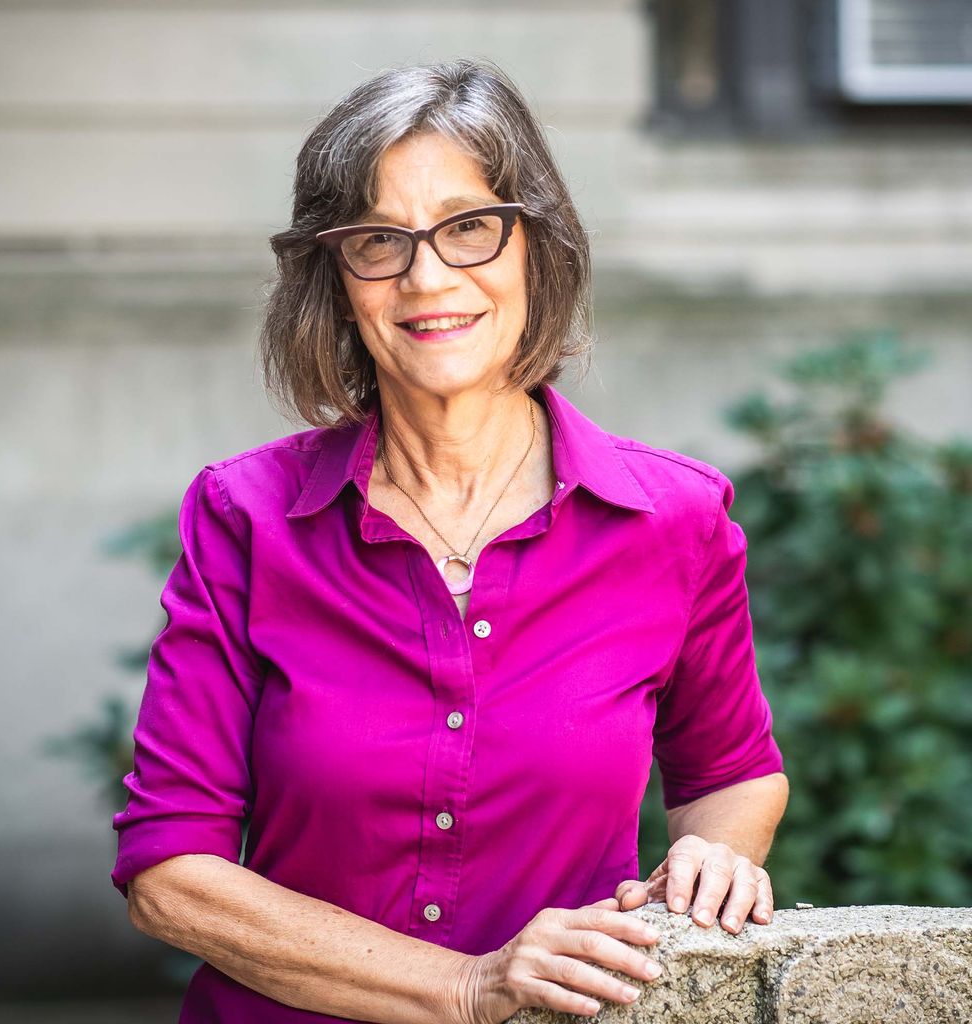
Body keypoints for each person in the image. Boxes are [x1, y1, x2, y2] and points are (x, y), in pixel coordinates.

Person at [112, 59, 788, 1024]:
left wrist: (719, 852)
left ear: (535, 247)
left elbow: (731, 775)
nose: (429, 278)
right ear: (335, 280)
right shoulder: (246, 518)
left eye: (471, 227)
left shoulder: (672, 520)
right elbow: (170, 873)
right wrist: (465, 986)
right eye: (379, 242)